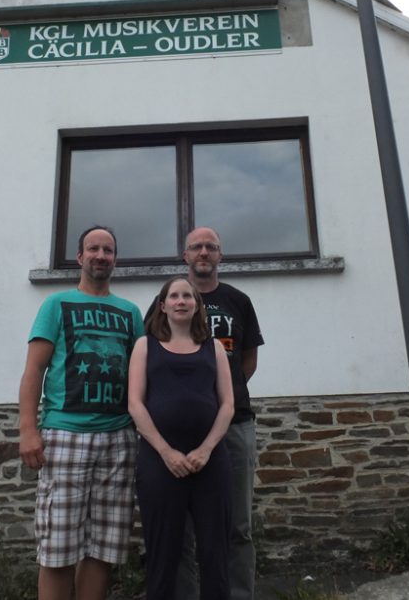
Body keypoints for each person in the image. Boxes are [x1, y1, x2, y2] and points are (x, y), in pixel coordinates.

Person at [19, 226, 144, 600]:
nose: (101, 255)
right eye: (94, 248)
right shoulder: (55, 305)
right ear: (80, 257)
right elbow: (33, 371)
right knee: (58, 549)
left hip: (119, 438)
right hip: (64, 434)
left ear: (115, 259)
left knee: (103, 548)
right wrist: (28, 429)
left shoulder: (130, 312)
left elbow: (142, 373)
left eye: (108, 250)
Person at [149, 227, 264, 600]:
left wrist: (216, 398)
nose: (203, 252)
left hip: (234, 424)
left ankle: (236, 595)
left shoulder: (239, 301)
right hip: (176, 433)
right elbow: (151, 355)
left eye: (210, 247)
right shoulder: (165, 301)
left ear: (220, 256)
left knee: (237, 525)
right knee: (178, 530)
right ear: (185, 256)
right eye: (196, 247)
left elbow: (247, 360)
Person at [129, 276, 234, 600]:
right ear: (163, 305)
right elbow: (135, 403)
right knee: (163, 552)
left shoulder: (213, 347)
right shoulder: (145, 345)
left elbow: (227, 404)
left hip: (211, 462)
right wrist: (165, 452)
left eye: (187, 296)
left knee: (215, 551)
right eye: (174, 296)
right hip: (160, 463)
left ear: (196, 305)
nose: (181, 301)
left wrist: (205, 449)